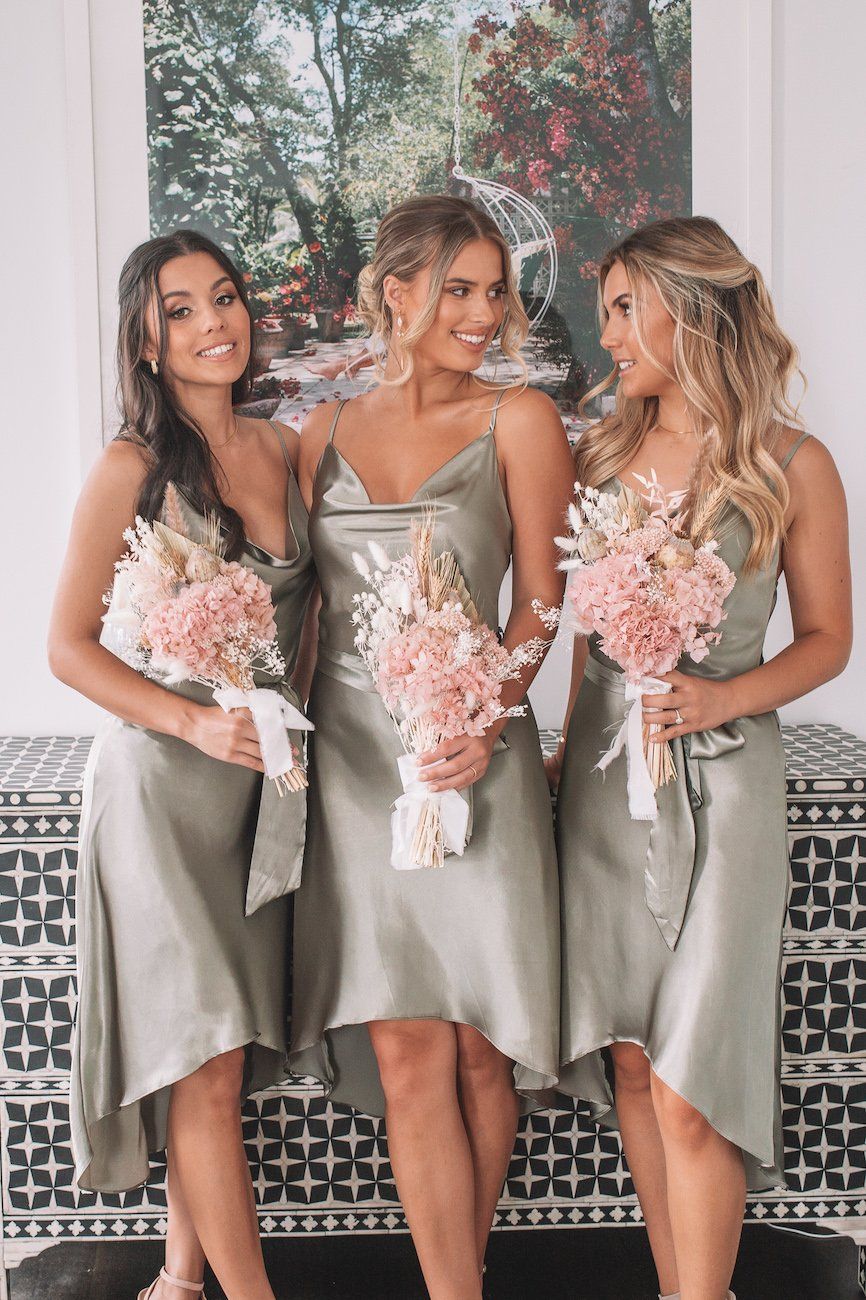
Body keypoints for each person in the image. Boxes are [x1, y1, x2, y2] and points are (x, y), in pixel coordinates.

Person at [547, 215, 852, 1300]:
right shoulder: (596, 456)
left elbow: (828, 639)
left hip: (725, 785)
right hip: (605, 789)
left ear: (693, 309)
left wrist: (722, 694)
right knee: (634, 1061)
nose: (607, 334)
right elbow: (584, 642)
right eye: (606, 311)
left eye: (626, 308)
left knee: (690, 1084)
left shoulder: (791, 464)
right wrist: (563, 752)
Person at [290, 194, 573, 1298]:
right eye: (458, 288)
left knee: (480, 1045)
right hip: (357, 768)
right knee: (407, 1048)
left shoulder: (521, 420)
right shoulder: (319, 432)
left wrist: (484, 717)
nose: (483, 312)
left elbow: (542, 601)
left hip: (477, 756)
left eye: (494, 291)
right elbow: (306, 610)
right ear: (393, 290)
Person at [48, 230, 315, 1300]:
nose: (214, 323)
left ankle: (177, 1279)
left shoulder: (285, 448)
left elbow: (308, 627)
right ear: (147, 342)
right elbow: (67, 648)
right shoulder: (128, 467)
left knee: (221, 1051)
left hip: (259, 792)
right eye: (182, 309)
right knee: (202, 1062)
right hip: (162, 793)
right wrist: (191, 725)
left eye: (226, 297)